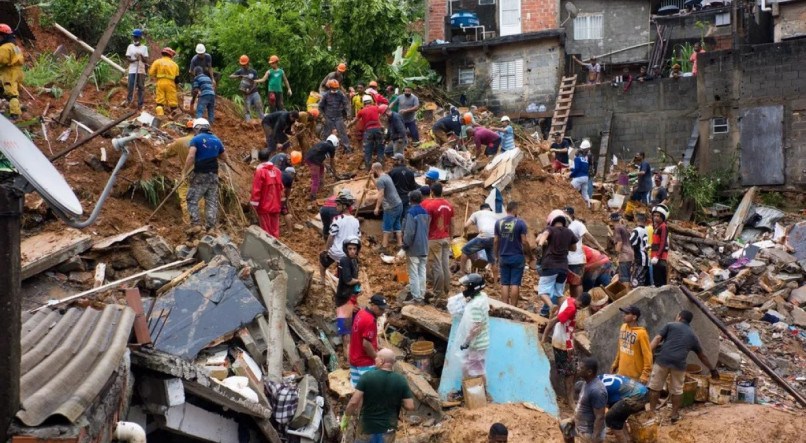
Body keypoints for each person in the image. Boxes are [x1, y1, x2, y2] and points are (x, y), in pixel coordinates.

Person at [649, 310, 719, 423]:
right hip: (679, 365)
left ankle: (651, 413)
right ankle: (674, 414)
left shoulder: (670, 325)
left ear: (680, 317)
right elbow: (702, 356)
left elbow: (657, 339)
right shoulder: (693, 335)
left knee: (655, 387)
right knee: (677, 390)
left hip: (662, 360)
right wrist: (712, 369)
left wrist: (647, 353)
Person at [345, 348, 415, 442]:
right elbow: (410, 406)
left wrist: (346, 416)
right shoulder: (401, 380)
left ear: (382, 361)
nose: (375, 360)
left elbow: (354, 402)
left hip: (367, 428)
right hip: (388, 430)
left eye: (377, 358)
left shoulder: (367, 376)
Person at [543, 292, 592, 408]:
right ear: (581, 303)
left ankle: (569, 398)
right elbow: (553, 321)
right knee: (569, 373)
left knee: (573, 371)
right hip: (562, 344)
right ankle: (570, 401)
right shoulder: (571, 309)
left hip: (564, 341)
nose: (580, 309)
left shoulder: (569, 300)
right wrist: (544, 338)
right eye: (581, 307)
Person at [183, 118, 228, 232]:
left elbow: (191, 156)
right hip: (214, 174)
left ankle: (196, 224)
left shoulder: (196, 139)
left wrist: (184, 171)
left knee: (192, 199)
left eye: (195, 129)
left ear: (198, 128)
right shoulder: (217, 140)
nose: (195, 131)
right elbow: (224, 157)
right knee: (211, 200)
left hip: (201, 173)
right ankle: (211, 227)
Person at [536, 210, 579, 317]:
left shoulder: (550, 229)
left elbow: (544, 235)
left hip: (550, 265)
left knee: (542, 292)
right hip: (563, 268)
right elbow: (574, 248)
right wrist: (563, 245)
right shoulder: (569, 232)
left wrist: (540, 246)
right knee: (559, 294)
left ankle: (551, 307)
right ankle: (564, 314)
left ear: (552, 222)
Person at [559, 357, 605, 443]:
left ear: (589, 372)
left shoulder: (597, 390)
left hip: (588, 431)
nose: (578, 368)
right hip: (580, 425)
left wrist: (595, 437)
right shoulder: (586, 383)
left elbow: (600, 417)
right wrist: (573, 419)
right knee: (564, 425)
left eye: (581, 368)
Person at [422, 183, 454, 298]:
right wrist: (451, 237)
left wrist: (424, 237)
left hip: (435, 238)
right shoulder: (449, 205)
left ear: (432, 192)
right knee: (445, 264)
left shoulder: (431, 206)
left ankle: (438, 292)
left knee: (437, 265)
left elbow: (427, 223)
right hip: (446, 237)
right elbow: (452, 223)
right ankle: (446, 290)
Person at [156, 126, 194, 223]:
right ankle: (202, 221)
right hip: (205, 173)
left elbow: (167, 153)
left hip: (188, 173)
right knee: (201, 197)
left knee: (185, 197)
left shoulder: (180, 141)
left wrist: (157, 157)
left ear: (187, 130)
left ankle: (190, 221)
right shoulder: (204, 141)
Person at [457, 274, 491, 384]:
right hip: (480, 341)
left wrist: (466, 341)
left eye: (466, 287)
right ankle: (470, 390)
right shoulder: (482, 296)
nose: (463, 289)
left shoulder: (475, 306)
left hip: (477, 343)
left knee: (477, 371)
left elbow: (476, 327)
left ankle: (480, 393)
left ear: (473, 288)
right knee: (474, 368)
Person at [493, 201, 528, 307]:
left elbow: (495, 241)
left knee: (505, 283)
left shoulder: (498, 223)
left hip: (503, 256)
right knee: (515, 283)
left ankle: (504, 307)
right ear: (515, 210)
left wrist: (496, 255)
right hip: (517, 256)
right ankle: (513, 308)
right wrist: (529, 255)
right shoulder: (521, 223)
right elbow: (524, 242)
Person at [348, 294, 388, 387]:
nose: (383, 312)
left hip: (354, 358)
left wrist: (377, 346)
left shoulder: (361, 313)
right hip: (365, 363)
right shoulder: (370, 320)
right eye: (381, 309)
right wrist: (376, 358)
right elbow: (366, 344)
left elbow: (361, 336)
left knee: (358, 390)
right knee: (371, 390)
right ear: (373, 305)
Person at [565, 207, 605, 298]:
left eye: (566, 214)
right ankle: (573, 303)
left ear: (571, 215)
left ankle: (580, 305)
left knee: (577, 283)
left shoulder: (577, 225)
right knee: (570, 284)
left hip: (576, 260)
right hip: (565, 260)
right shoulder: (562, 225)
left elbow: (588, 236)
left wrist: (599, 246)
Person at [321, 191, 360, 281]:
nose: (336, 206)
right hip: (349, 253)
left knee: (322, 262)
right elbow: (358, 238)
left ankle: (322, 281)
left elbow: (331, 236)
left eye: (338, 204)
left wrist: (326, 249)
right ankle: (339, 275)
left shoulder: (337, 219)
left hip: (337, 252)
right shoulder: (356, 221)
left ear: (344, 206)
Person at [599, 373, 649, 443]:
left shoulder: (596, 390)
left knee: (611, 418)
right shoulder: (599, 378)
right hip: (642, 391)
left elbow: (600, 413)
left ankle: (623, 440)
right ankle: (627, 439)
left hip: (637, 396)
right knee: (617, 416)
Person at [611, 305, 652, 384]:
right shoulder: (623, 327)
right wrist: (615, 364)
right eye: (624, 313)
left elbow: (647, 355)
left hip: (635, 377)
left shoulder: (642, 333)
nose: (624, 315)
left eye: (627, 313)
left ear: (634, 317)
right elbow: (620, 348)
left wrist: (645, 375)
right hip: (621, 373)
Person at [460, 203, 502, 281]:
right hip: (494, 238)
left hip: (483, 236)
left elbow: (466, 226)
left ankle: (462, 273)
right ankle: (496, 283)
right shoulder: (496, 215)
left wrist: (465, 233)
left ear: (481, 209)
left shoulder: (476, 213)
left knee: (464, 251)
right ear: (489, 209)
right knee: (493, 261)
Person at [336, 236, 362, 360]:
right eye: (350, 248)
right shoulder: (345, 261)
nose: (352, 251)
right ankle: (348, 360)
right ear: (346, 249)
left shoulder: (354, 261)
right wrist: (359, 281)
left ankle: (352, 357)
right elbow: (348, 280)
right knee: (346, 332)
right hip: (344, 300)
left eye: (354, 249)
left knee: (351, 330)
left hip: (351, 298)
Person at [403, 190, 430, 304]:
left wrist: (405, 245)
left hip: (414, 247)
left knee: (413, 273)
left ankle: (416, 297)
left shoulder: (411, 213)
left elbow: (409, 232)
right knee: (422, 271)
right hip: (424, 246)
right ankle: (422, 295)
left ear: (410, 200)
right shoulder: (425, 212)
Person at [250, 150, 285, 238]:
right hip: (276, 205)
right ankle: (276, 248)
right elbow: (281, 188)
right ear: (269, 157)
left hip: (264, 206)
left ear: (259, 159)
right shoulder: (277, 171)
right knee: (275, 230)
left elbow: (256, 190)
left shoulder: (260, 171)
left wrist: (254, 206)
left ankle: (269, 250)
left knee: (266, 232)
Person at [372, 162, 404, 254]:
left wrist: (377, 207)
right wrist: (372, 178)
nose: (371, 171)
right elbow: (379, 186)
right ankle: (400, 245)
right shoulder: (386, 176)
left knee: (386, 227)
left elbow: (381, 194)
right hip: (399, 204)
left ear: (376, 169)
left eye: (372, 169)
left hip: (391, 206)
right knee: (397, 225)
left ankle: (384, 247)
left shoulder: (381, 180)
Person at [319, 79, 351, 153]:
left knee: (342, 133)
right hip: (328, 117)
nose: (335, 89)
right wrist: (323, 117)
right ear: (330, 87)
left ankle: (347, 149)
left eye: (336, 88)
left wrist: (348, 114)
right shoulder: (325, 95)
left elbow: (346, 104)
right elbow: (320, 107)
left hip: (338, 117)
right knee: (326, 133)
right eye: (333, 88)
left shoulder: (340, 94)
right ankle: (323, 149)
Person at [305, 134, 339, 200]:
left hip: (308, 157)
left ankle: (321, 186)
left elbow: (318, 154)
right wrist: (335, 172)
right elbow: (332, 162)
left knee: (322, 167)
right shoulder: (331, 147)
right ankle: (313, 196)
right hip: (313, 160)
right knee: (315, 178)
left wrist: (326, 165)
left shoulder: (323, 143)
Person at [230, 55, 263, 121]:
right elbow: (231, 76)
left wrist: (250, 89)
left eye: (244, 64)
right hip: (245, 94)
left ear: (248, 63)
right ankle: (248, 124)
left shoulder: (253, 71)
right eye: (242, 65)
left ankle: (262, 121)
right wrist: (239, 76)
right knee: (246, 110)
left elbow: (256, 82)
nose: (243, 66)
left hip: (254, 92)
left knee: (259, 107)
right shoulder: (240, 71)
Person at [354, 100, 384, 169]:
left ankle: (368, 167)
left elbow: (355, 120)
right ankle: (381, 165)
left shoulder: (361, 111)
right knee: (380, 147)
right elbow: (382, 113)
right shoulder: (376, 107)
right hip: (377, 130)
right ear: (371, 103)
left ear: (364, 104)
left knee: (368, 149)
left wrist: (348, 125)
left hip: (368, 131)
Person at [148, 47, 180, 114]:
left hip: (160, 82)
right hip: (171, 84)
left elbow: (151, 73)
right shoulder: (175, 65)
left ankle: (160, 117)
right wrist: (177, 87)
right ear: (171, 55)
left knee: (160, 101)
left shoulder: (157, 62)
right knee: (173, 102)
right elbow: (177, 79)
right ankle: (173, 118)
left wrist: (156, 77)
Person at [388, 153, 418, 221]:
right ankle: (404, 230)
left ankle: (397, 231)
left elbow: (388, 186)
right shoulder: (410, 172)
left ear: (400, 160)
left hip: (396, 198)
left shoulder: (392, 172)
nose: (393, 161)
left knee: (396, 218)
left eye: (395, 160)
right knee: (405, 217)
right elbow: (413, 186)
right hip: (406, 198)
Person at [124, 29, 148, 110]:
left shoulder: (144, 48)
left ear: (140, 38)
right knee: (131, 86)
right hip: (132, 70)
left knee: (141, 87)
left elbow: (146, 60)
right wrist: (135, 60)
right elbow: (128, 58)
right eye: (134, 37)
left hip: (140, 70)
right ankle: (129, 101)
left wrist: (141, 56)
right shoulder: (130, 47)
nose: (135, 39)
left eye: (136, 37)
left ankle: (140, 104)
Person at [610, 212, 634, 286]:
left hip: (624, 256)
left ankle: (627, 296)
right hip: (631, 254)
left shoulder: (617, 228)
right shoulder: (624, 227)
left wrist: (617, 254)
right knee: (630, 277)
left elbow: (619, 243)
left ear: (611, 220)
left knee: (624, 279)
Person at [650, 204, 669, 286]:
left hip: (660, 257)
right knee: (656, 277)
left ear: (662, 217)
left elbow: (663, 242)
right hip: (655, 255)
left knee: (660, 279)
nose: (656, 218)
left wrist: (657, 256)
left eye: (658, 216)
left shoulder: (663, 227)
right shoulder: (657, 227)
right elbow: (656, 241)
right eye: (654, 215)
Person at [630, 213, 649, 287]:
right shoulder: (645, 230)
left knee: (635, 282)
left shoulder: (636, 231)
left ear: (636, 219)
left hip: (639, 259)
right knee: (641, 280)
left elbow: (631, 243)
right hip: (645, 258)